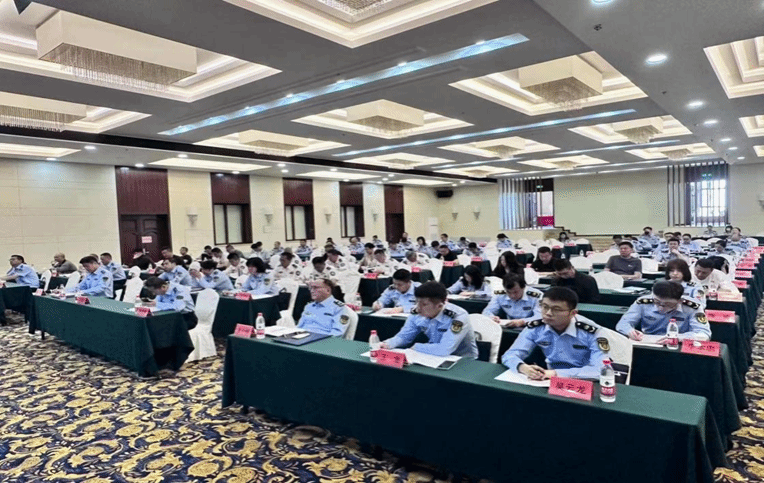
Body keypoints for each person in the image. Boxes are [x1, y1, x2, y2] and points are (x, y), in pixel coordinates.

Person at [502, 287, 608, 380]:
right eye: (545, 307)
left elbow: (602, 369)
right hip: (549, 378)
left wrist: (556, 373)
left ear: (572, 313)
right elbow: (509, 355)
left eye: (556, 309)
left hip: (585, 379)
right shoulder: (536, 328)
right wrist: (522, 367)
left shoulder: (593, 331)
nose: (548, 313)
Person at [381, 281, 478, 358]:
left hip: (462, 360)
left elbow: (444, 349)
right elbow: (404, 336)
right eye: (417, 302)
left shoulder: (458, 317)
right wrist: (388, 344)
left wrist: (416, 347)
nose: (418, 308)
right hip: (431, 356)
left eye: (424, 304)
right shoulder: (417, 312)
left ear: (439, 305)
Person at [615, 280, 711, 341]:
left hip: (677, 345)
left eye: (668, 304)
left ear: (680, 301)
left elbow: (704, 334)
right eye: (657, 302)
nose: (661, 307)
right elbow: (623, 323)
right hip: (648, 343)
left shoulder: (693, 307)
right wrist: (630, 331)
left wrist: (676, 338)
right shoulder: (643, 302)